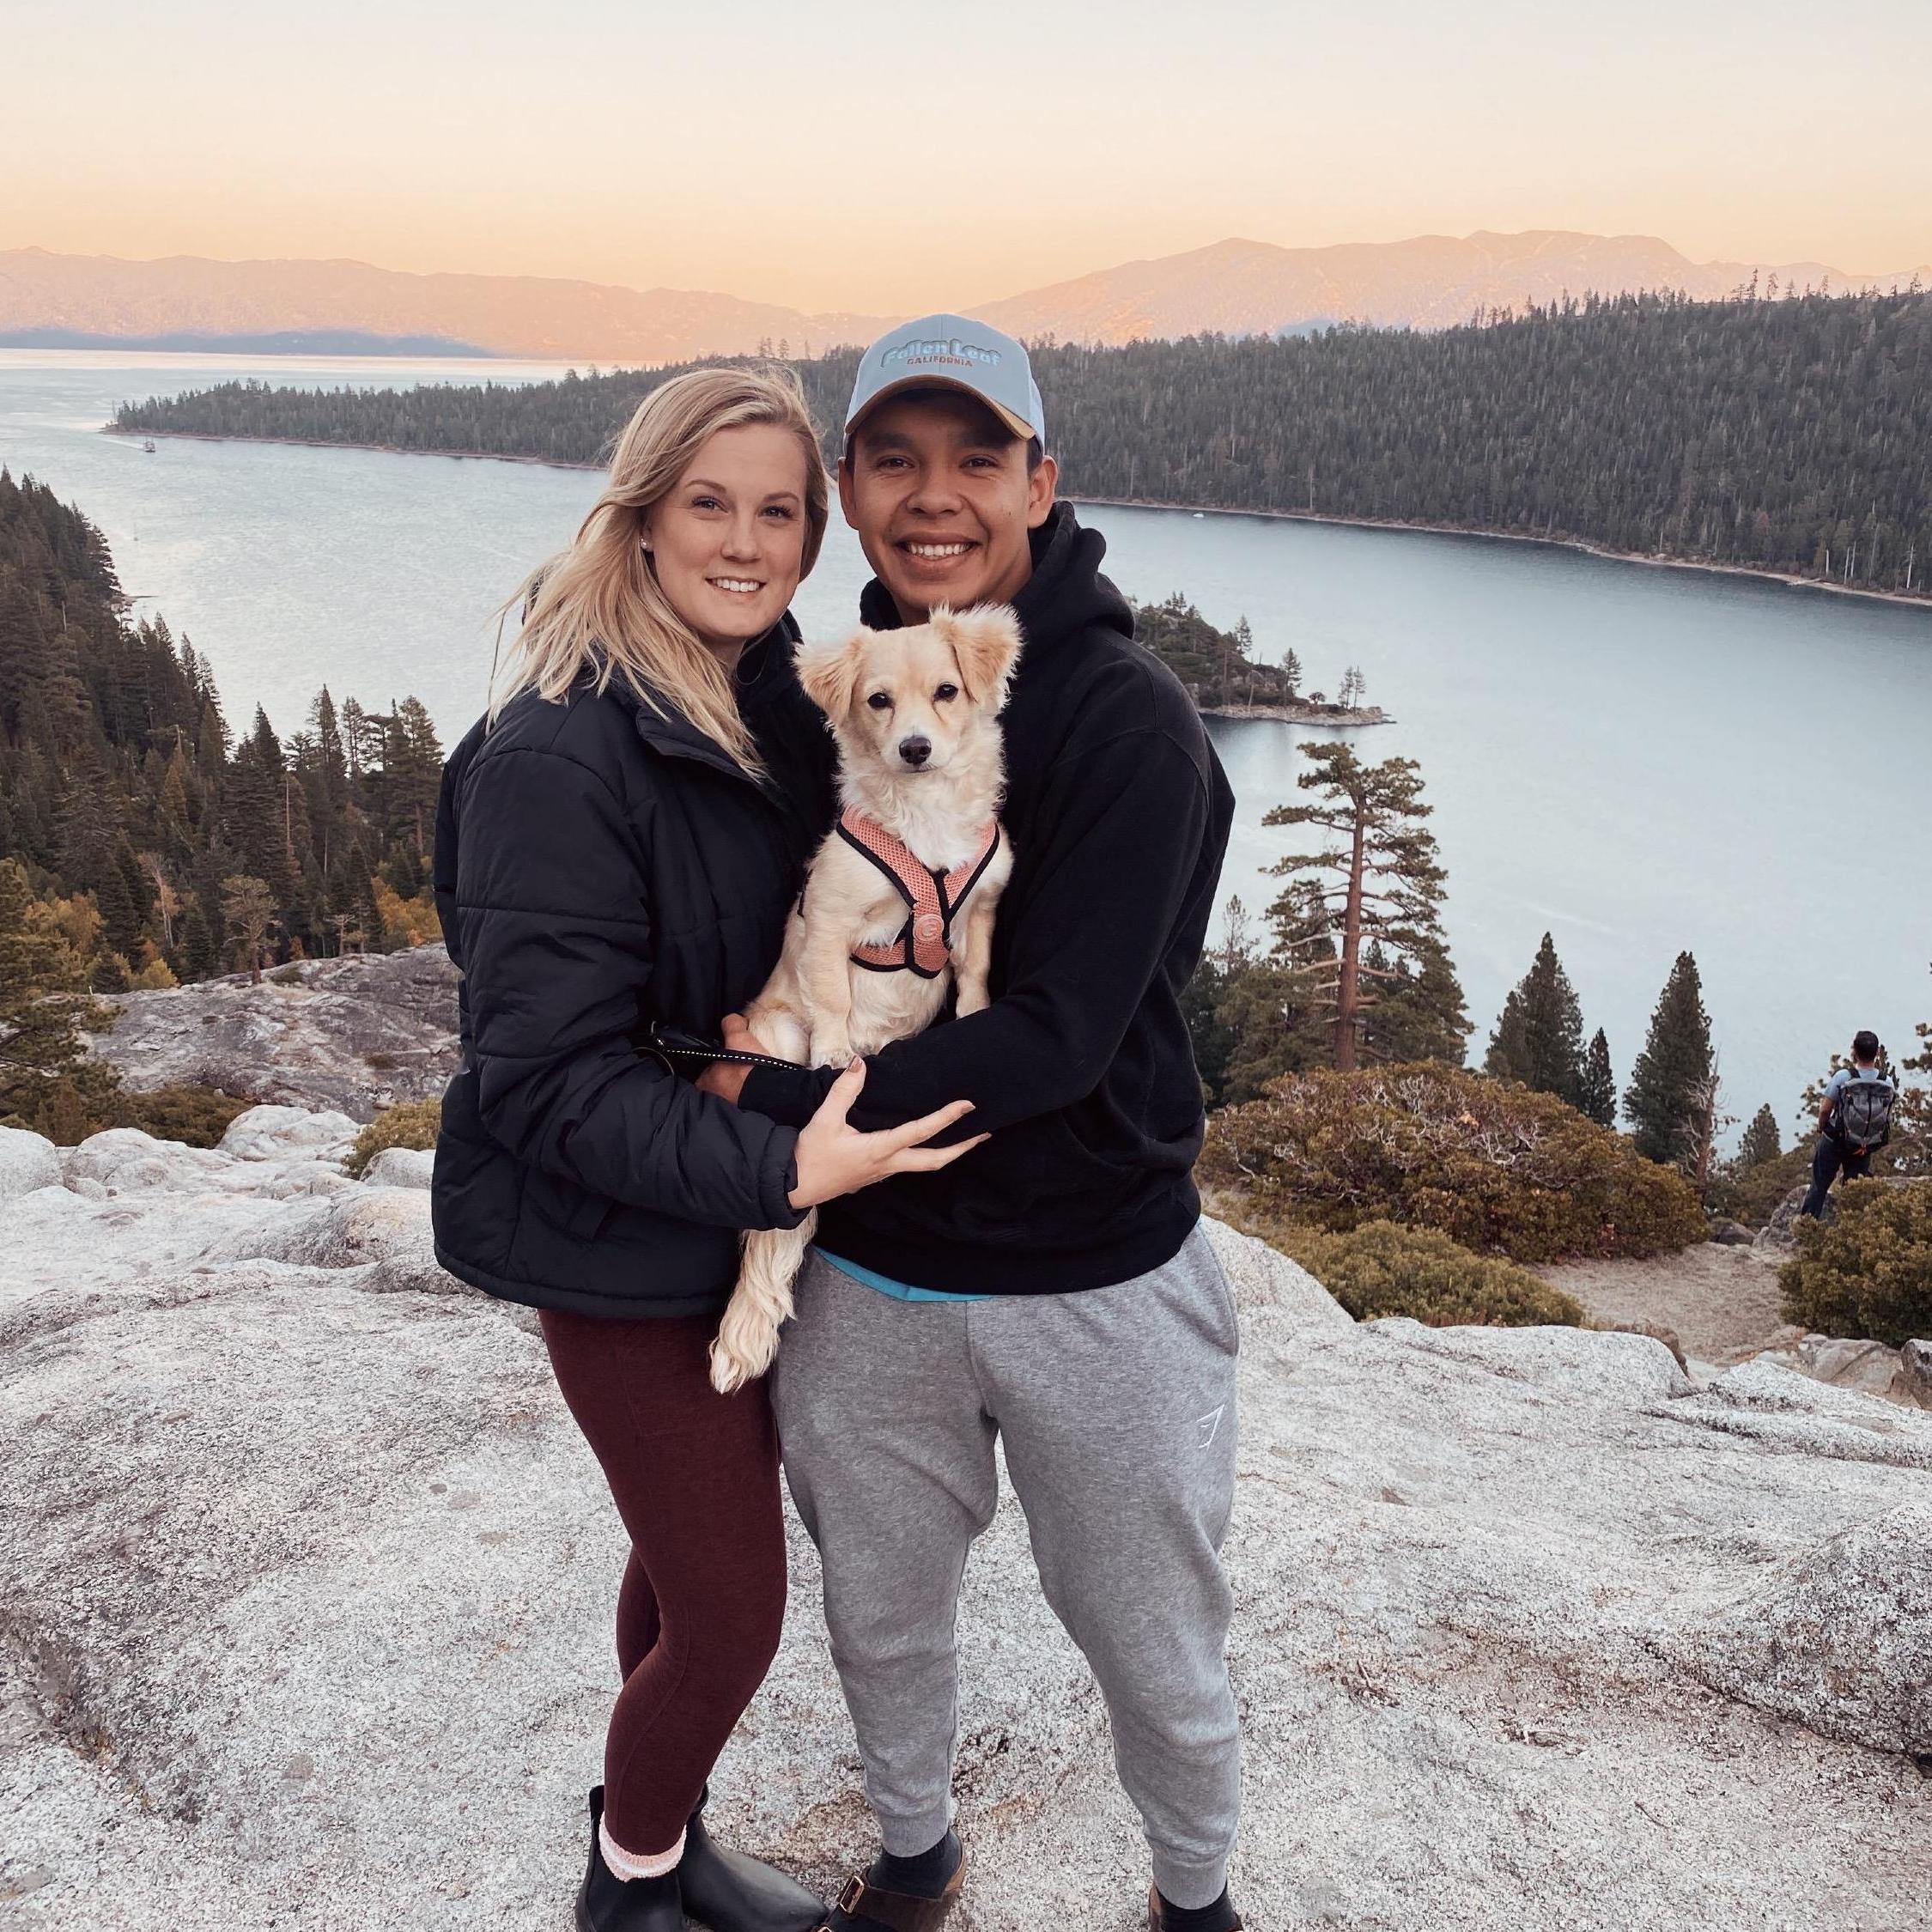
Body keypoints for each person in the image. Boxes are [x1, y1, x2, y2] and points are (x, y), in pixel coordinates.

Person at [700, 317, 1244, 1932]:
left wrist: (769, 1105)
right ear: (852, 493)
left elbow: (1063, 1039)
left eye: (977, 459)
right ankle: (919, 1857)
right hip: (873, 1275)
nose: (935, 496)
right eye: (893, 460)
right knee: (881, 1616)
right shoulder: (831, 704)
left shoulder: (1129, 721)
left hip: (1097, 1276)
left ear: (1041, 480)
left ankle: (1195, 1898)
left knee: (1151, 1630)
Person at [429, 366, 980, 1932]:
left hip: (706, 1218)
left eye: (781, 511)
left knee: (682, 1575)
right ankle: (631, 1892)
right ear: (644, 512)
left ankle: (655, 1836)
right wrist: (790, 1168)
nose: (747, 541)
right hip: (615, 1245)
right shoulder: (562, 751)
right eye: (709, 505)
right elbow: (540, 1079)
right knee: (734, 1617)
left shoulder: (755, 706)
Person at [1799, 1029, 1894, 1218]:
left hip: (1836, 1141)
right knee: (1854, 1192)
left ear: (1854, 1052)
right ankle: (1849, 1232)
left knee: (1820, 1185)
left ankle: (1807, 1228)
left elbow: (1825, 1110)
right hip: (1863, 1145)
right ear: (1877, 1053)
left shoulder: (1844, 1077)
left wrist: (1821, 1127)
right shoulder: (1887, 1082)